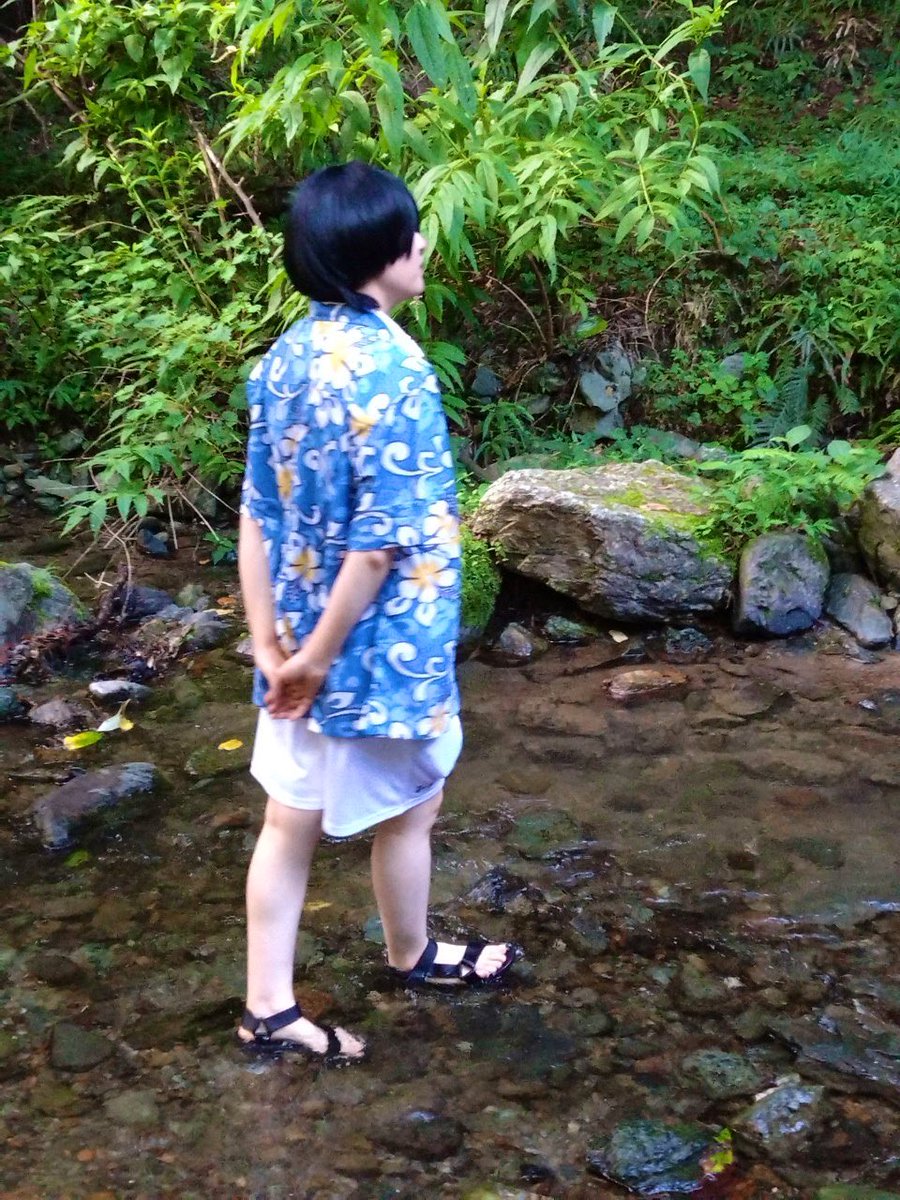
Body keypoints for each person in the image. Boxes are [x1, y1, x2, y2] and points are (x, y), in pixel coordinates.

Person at [236, 162, 523, 1063]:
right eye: (410, 234)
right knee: (415, 807)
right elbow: (378, 546)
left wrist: (270, 644)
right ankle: (412, 953)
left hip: (295, 647)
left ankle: (268, 1007)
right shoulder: (397, 373)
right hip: (381, 655)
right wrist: (320, 657)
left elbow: (256, 513)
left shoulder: (283, 359)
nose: (423, 245)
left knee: (289, 819)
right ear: (376, 253)